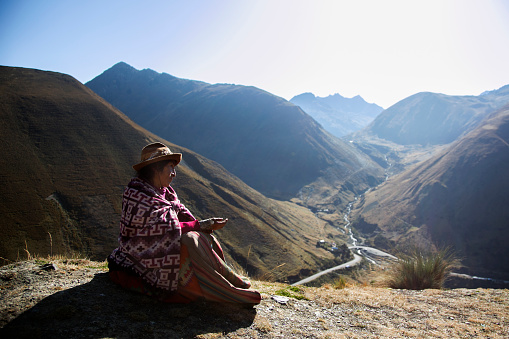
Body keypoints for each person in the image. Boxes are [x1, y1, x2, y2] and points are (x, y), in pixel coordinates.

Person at [108, 142, 261, 304]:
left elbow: (181, 216)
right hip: (141, 257)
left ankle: (223, 278)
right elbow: (163, 230)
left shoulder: (166, 193)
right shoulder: (137, 194)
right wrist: (199, 225)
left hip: (161, 250)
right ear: (155, 168)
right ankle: (224, 291)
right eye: (170, 167)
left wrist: (203, 227)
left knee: (201, 237)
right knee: (190, 240)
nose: (174, 173)